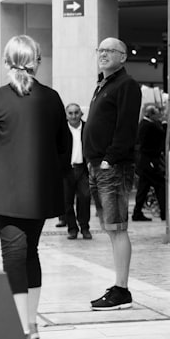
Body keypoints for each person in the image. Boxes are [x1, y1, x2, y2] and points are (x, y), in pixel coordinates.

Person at [0, 35, 69, 339]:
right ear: (36, 61)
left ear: (6, 62)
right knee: (31, 253)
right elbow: (64, 146)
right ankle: (32, 324)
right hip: (40, 192)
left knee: (13, 255)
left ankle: (21, 329)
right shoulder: (52, 98)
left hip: (5, 192)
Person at [85, 37, 142, 311]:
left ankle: (122, 290)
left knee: (118, 228)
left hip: (113, 166)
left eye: (110, 50)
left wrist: (109, 159)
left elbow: (126, 127)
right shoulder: (103, 84)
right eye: (101, 50)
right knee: (111, 228)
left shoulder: (127, 85)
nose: (104, 54)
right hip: (97, 166)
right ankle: (118, 285)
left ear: (123, 57)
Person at [132, 103, 166, 221]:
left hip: (145, 162)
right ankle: (164, 212)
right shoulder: (148, 126)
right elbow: (159, 136)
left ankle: (137, 212)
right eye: (157, 114)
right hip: (149, 161)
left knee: (143, 188)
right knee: (160, 185)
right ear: (151, 114)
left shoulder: (145, 124)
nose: (159, 116)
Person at [63, 103, 92, 240]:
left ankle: (85, 227)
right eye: (70, 113)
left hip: (83, 169)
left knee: (85, 198)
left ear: (81, 113)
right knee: (67, 201)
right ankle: (72, 228)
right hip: (67, 170)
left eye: (76, 112)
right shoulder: (61, 130)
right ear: (66, 115)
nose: (73, 116)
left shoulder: (88, 128)